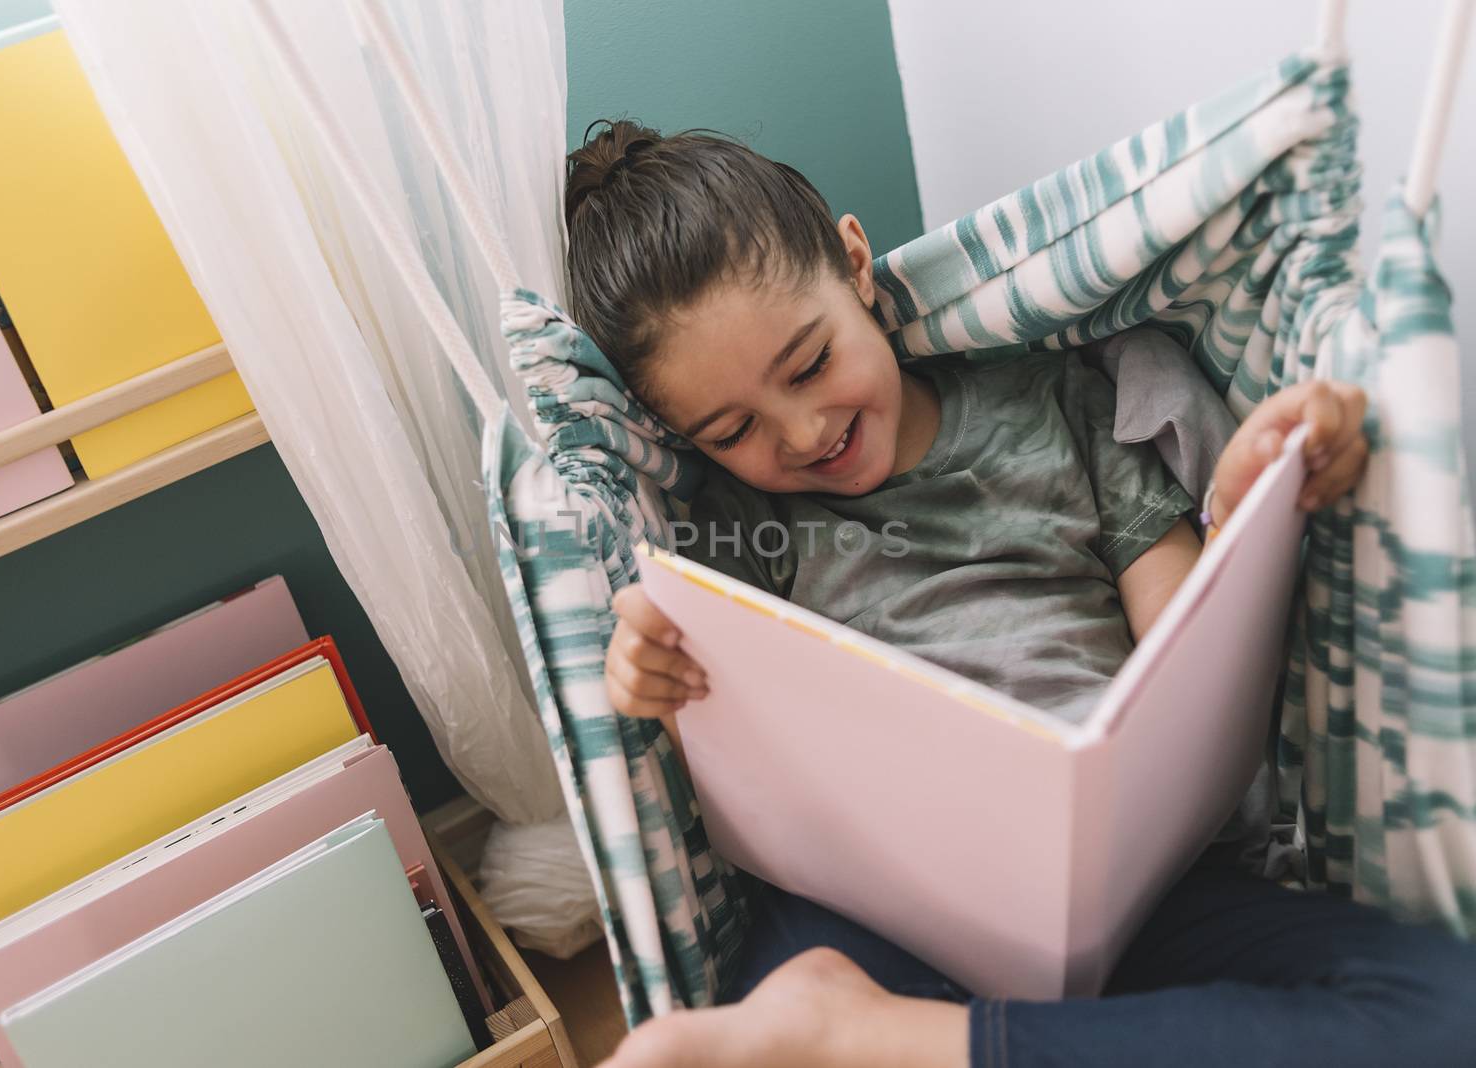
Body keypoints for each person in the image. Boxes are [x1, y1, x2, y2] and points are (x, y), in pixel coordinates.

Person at [565, 120, 1476, 1067]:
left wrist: (1246, 501)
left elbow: (1188, 670)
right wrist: (659, 681)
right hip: (882, 920)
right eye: (730, 427)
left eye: (810, 365)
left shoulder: (1057, 405)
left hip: (1131, 892)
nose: (800, 433)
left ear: (855, 263)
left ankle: (901, 1043)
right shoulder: (742, 528)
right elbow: (750, 772)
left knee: (1449, 1010)